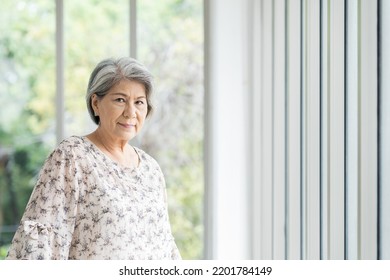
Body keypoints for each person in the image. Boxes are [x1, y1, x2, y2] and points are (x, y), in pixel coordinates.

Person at [6, 57, 181, 260]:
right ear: (96, 103)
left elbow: (167, 246)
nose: (131, 112)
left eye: (139, 102)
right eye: (120, 100)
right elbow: (40, 242)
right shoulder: (72, 157)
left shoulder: (151, 169)